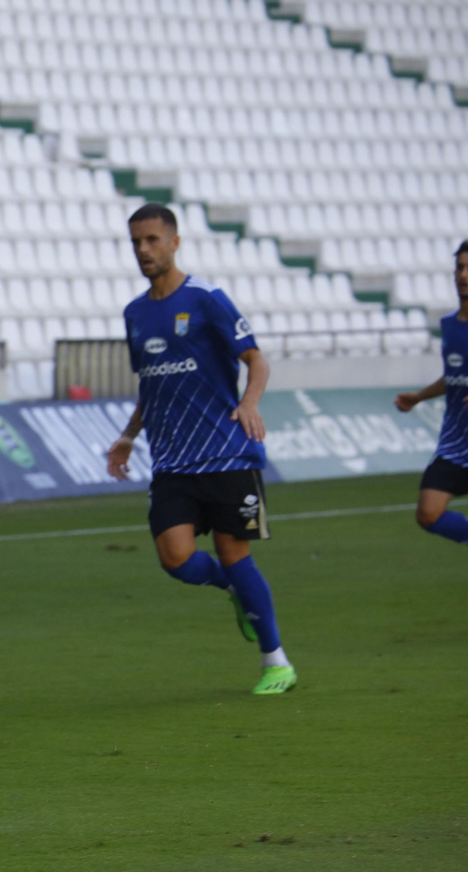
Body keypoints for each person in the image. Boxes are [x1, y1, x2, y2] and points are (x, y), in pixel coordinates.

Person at [105, 203, 296, 696]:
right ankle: (234, 591)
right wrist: (128, 435)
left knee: (234, 554)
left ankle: (276, 661)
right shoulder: (135, 313)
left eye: (152, 240)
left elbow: (256, 359)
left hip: (226, 453)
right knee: (175, 558)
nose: (143, 250)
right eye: (136, 242)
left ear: (174, 242)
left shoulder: (207, 298)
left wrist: (249, 403)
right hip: (172, 462)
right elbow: (151, 385)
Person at [394, 239, 468, 545]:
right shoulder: (449, 324)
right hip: (456, 443)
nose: (463, 275)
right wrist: (419, 396)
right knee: (428, 514)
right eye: (460, 268)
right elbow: (454, 377)